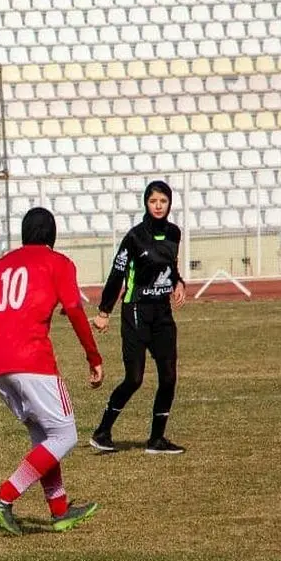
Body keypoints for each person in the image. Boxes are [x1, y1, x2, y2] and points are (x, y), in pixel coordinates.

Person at [0, 207, 104, 536]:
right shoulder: (59, 263)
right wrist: (93, 356)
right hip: (31, 360)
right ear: (52, 236)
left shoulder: (1, 265)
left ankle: (60, 509)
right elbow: (75, 310)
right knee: (65, 436)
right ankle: (4, 496)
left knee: (44, 435)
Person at [89, 179, 187, 454]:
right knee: (134, 378)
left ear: (169, 204)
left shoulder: (174, 234)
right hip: (135, 311)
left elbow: (171, 267)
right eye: (153, 201)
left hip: (163, 314)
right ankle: (102, 432)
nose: (158, 206)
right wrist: (104, 312)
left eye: (163, 201)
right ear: (146, 203)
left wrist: (179, 282)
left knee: (168, 376)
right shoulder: (134, 237)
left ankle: (157, 440)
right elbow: (117, 273)